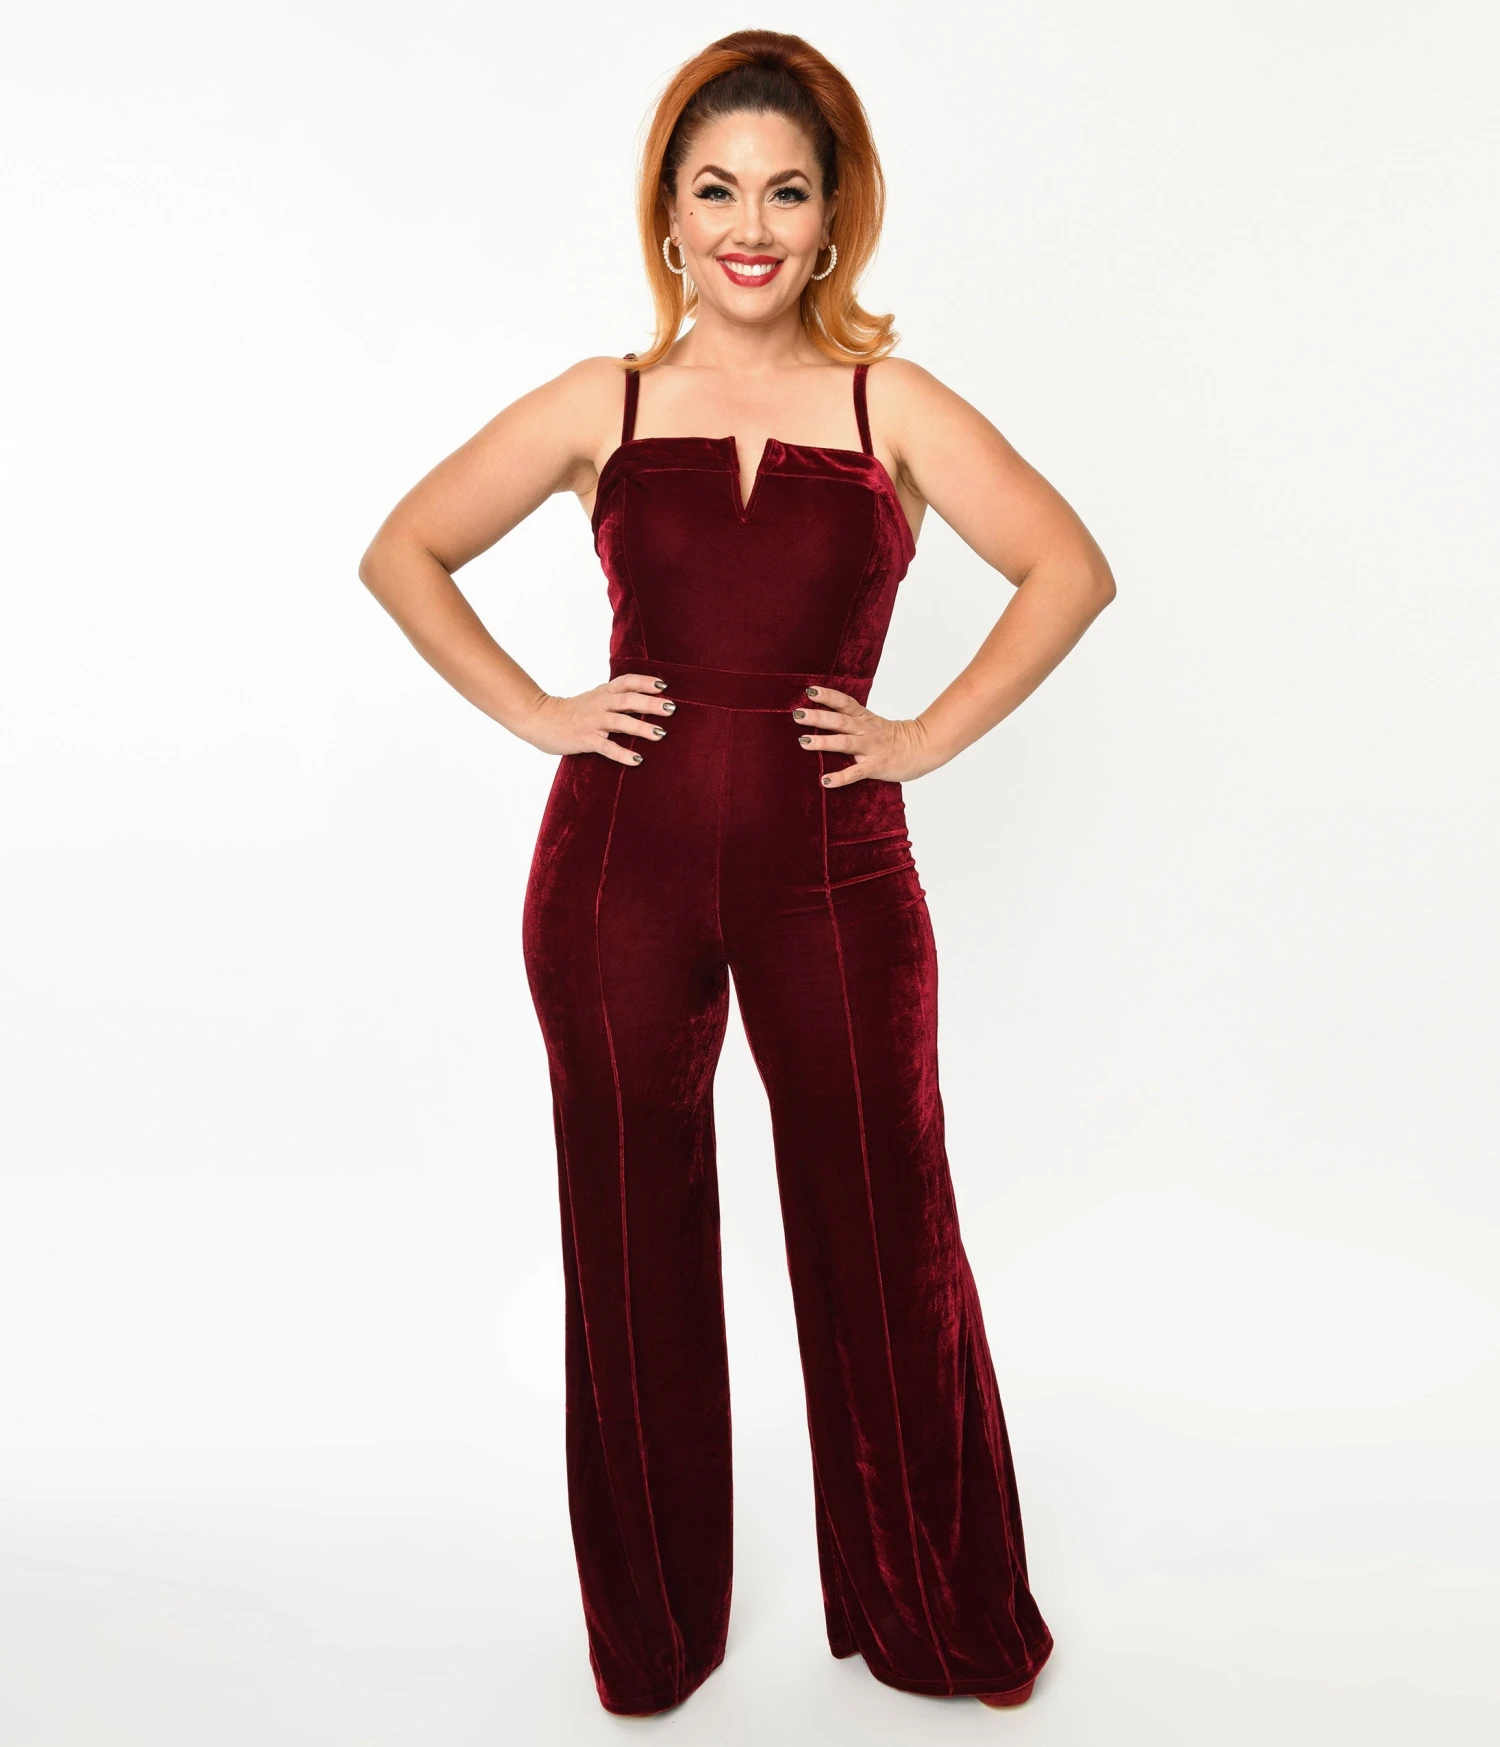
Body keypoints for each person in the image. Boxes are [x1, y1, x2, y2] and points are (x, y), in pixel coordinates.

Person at [358, 27, 1114, 1719]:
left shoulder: (891, 404)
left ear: (835, 217)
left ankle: (936, 1613)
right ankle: (653, 1635)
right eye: (716, 191)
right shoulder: (603, 404)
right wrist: (543, 710)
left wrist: (922, 735)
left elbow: (1069, 565)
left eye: (785, 191)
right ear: (670, 214)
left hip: (836, 870)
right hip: (613, 873)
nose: (750, 225)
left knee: (885, 1227)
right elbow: (402, 549)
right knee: (630, 1242)